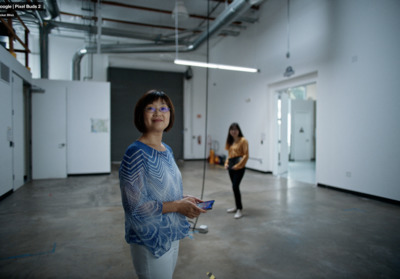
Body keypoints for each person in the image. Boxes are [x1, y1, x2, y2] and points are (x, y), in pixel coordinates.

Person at [119, 89, 206, 279]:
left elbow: (162, 191)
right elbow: (134, 208)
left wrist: (184, 199)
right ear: (141, 115)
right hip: (150, 240)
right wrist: (177, 206)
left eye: (163, 108)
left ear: (170, 115)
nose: (158, 113)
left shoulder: (167, 150)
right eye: (151, 108)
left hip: (171, 233)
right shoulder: (135, 153)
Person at [224, 123, 249, 219]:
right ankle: (236, 207)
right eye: (232, 130)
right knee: (234, 187)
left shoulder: (243, 141)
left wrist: (238, 165)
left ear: (239, 131)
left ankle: (239, 209)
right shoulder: (230, 142)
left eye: (235, 129)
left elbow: (246, 155)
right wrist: (226, 164)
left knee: (235, 186)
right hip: (231, 166)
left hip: (239, 167)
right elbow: (229, 155)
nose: (233, 131)